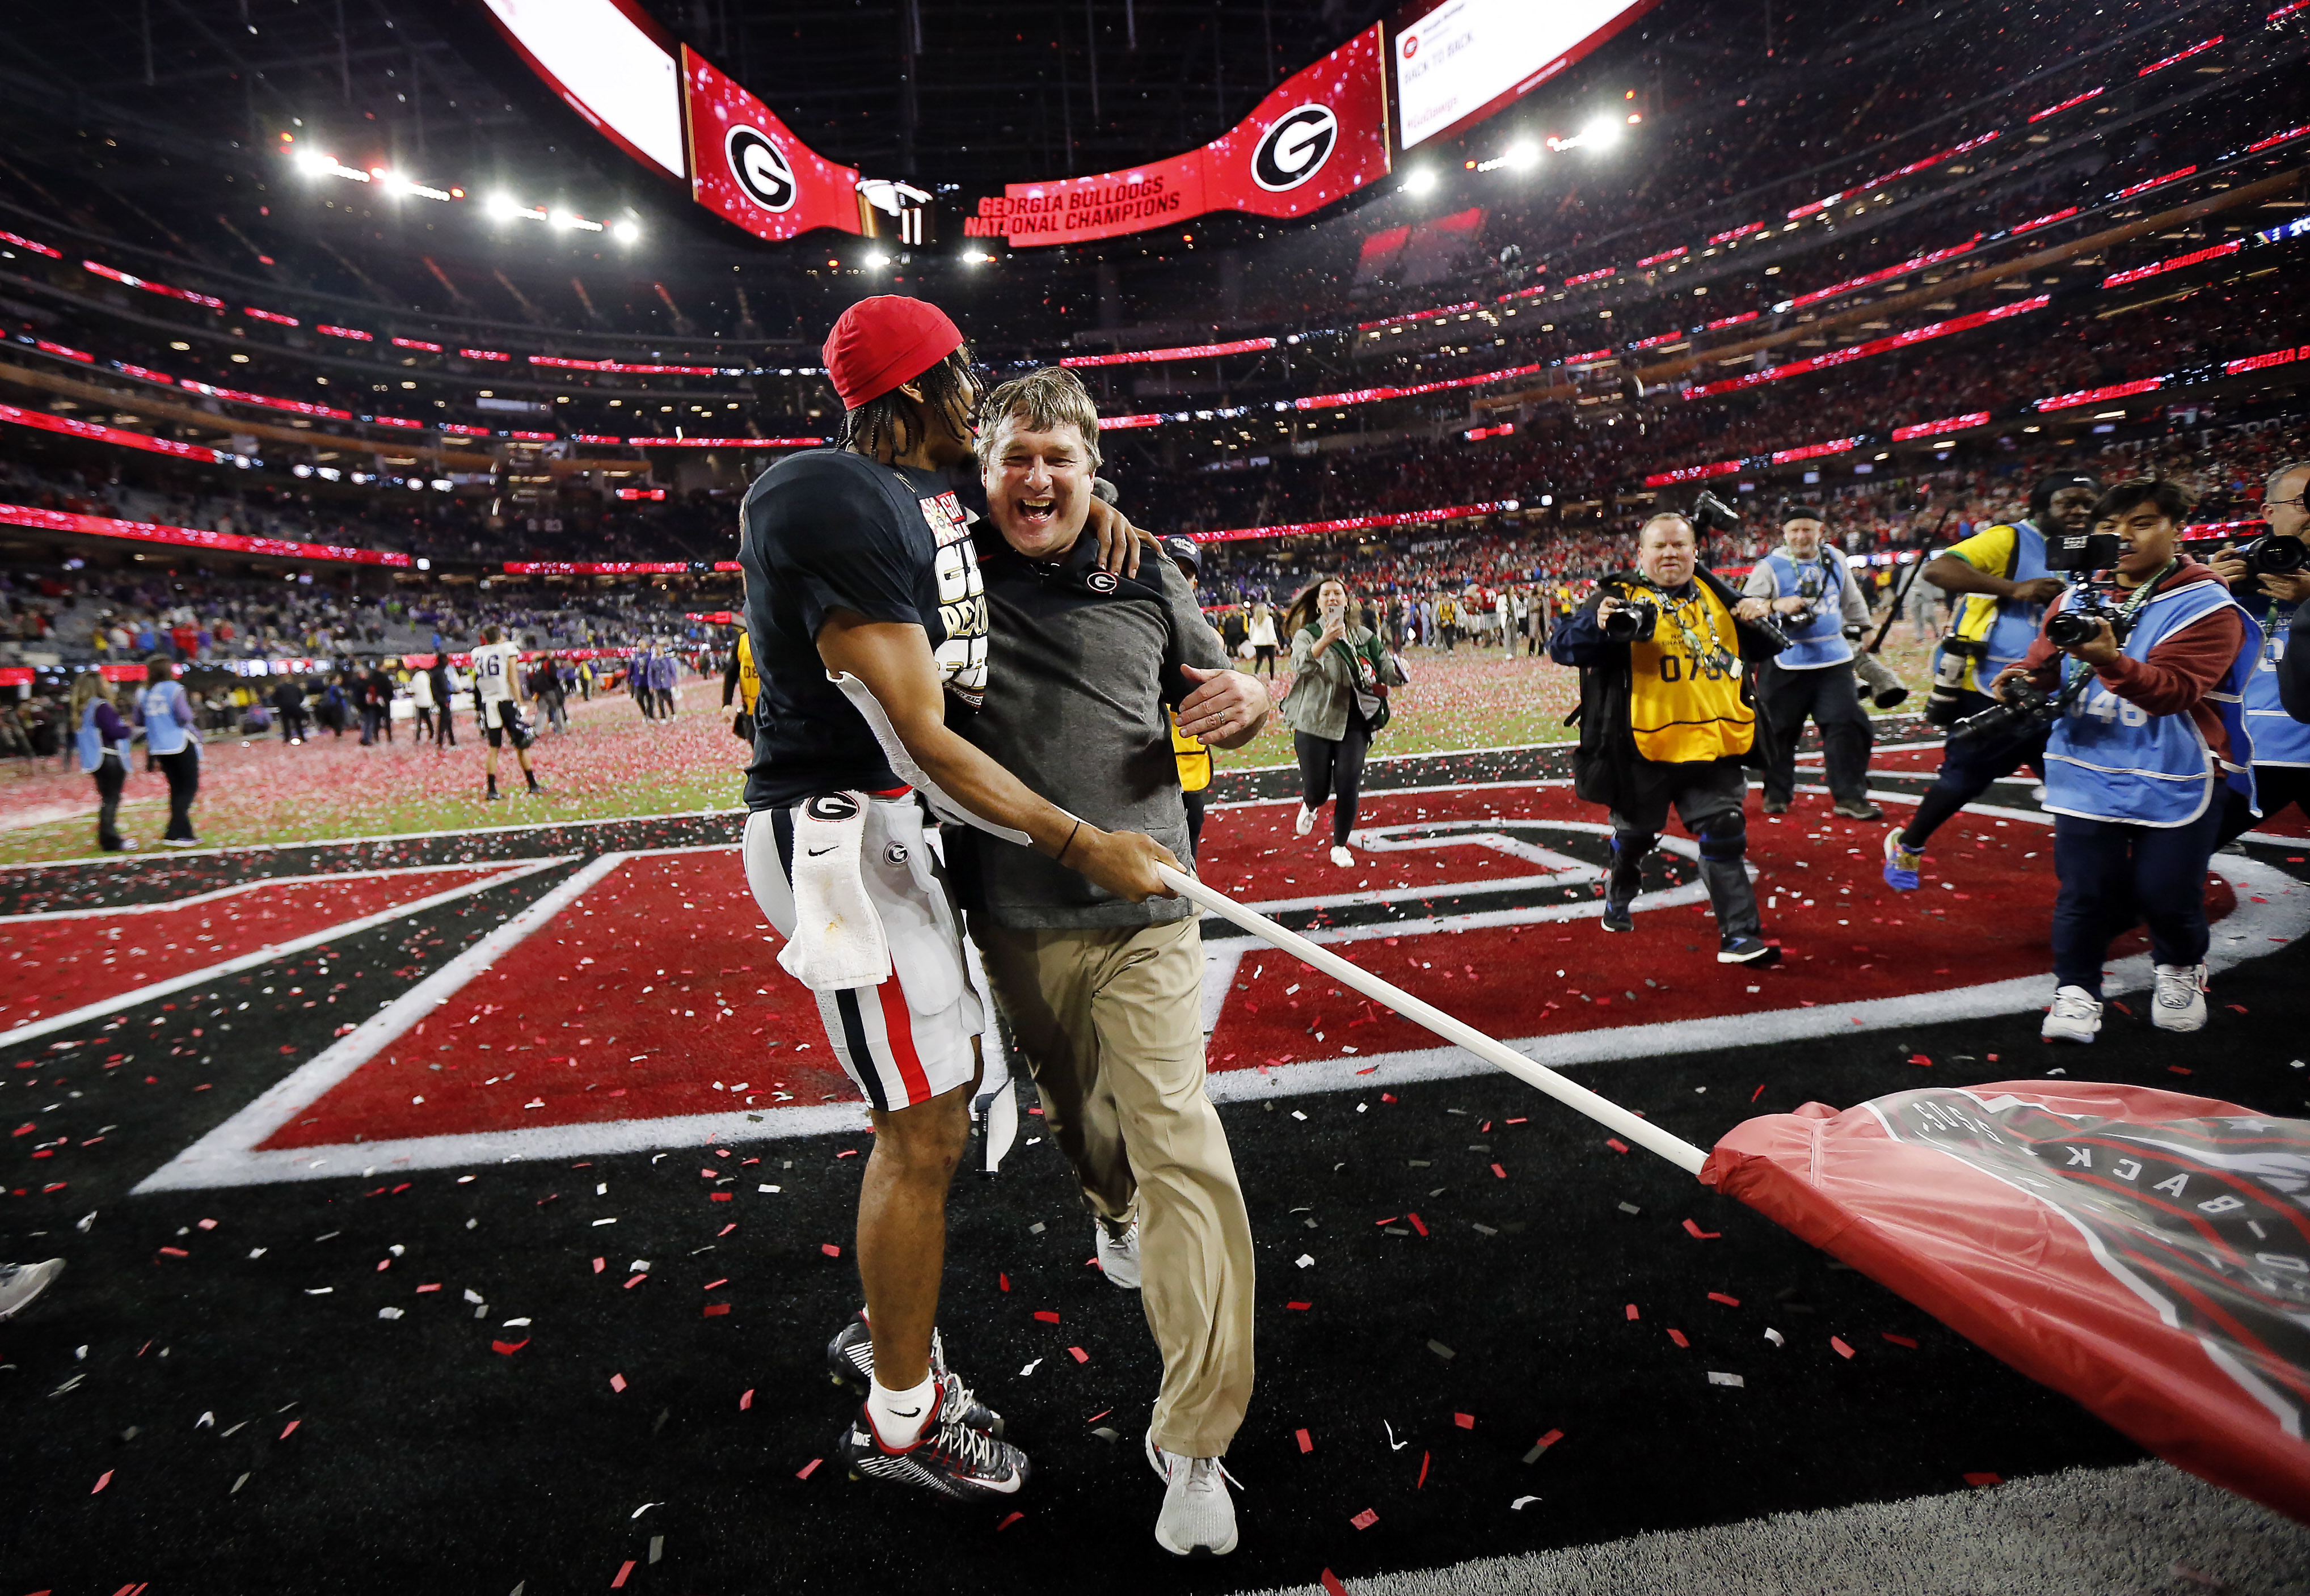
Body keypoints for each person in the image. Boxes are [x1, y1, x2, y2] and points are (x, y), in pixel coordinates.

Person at [735, 295, 1174, 1503]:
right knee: (919, 1129)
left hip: (887, 828)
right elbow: (919, 737)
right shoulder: (829, 494)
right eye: (962, 371)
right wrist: (1089, 843)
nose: (979, 388)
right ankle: (903, 1415)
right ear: (923, 388)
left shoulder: (913, 494)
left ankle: (890, 1332)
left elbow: (999, 512)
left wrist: (1098, 508)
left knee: (943, 1100)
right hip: (845, 833)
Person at [951, 367, 1268, 1555]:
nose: (1037, 479)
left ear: (1092, 467)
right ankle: (1106, 1206)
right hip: (1013, 919)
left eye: (1059, 459)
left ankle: (1192, 1444)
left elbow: (1222, 685)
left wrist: (1247, 696)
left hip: (1149, 914)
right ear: (981, 469)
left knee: (1182, 1144)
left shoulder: (1147, 566)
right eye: (1014, 457)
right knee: (1084, 1127)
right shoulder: (946, 570)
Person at [2005, 479, 2257, 1041]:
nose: (2121, 538)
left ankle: (2178, 967)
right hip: (2087, 765)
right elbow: (2042, 664)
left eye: (2140, 523)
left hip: (2176, 767)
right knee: (2083, 889)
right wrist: (2019, 678)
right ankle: (2074, 988)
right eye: (2108, 527)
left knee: (2166, 891)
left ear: (2177, 530)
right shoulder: (2075, 596)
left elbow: (2174, 691)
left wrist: (2111, 661)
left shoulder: (2208, 605)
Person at [1549, 512, 1788, 965]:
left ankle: (1739, 935)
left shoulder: (1721, 599)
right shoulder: (1617, 597)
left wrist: (1761, 613)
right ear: (1641, 554)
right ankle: (1621, 883)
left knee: (1724, 829)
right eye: (1660, 546)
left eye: (1680, 545)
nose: (1671, 553)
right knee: (1636, 835)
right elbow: (1561, 646)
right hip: (1643, 749)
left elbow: (1768, 647)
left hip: (1712, 743)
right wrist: (1595, 625)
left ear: (1696, 551)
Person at [1884, 473, 2101, 889]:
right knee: (1963, 780)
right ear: (2040, 508)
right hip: (1993, 684)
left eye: (2089, 504)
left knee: (2073, 782)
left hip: (2065, 687)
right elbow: (1939, 570)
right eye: (2068, 503)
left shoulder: (2094, 546)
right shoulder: (2012, 539)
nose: (2080, 512)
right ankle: (1908, 844)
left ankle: (2087, 882)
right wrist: (2015, 588)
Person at [1743, 502, 1882, 820]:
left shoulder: (1835, 559)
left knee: (1845, 725)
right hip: (1785, 661)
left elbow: (1851, 598)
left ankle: (1849, 796)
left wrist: (1866, 628)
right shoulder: (1769, 567)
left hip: (1834, 660)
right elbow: (1747, 607)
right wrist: (1777, 604)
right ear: (1784, 534)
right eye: (1795, 530)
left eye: (1808, 529)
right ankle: (1776, 794)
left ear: (1821, 532)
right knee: (1779, 732)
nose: (1801, 536)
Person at [2211, 460, 2310, 843]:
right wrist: (2205, 588)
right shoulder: (2233, 566)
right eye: (2303, 502)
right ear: (2269, 511)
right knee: (2176, 860)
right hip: (2254, 750)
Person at [1279, 576, 1403, 868]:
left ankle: (1339, 845)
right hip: (1314, 721)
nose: (1333, 599)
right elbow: (1300, 665)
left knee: (1348, 784)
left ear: (1347, 602)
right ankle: (1310, 804)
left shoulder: (1364, 635)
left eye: (1338, 594)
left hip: (1355, 722)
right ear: (1319, 603)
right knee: (1318, 790)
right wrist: (1325, 641)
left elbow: (1384, 668)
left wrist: (1398, 673)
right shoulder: (1307, 634)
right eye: (1326, 595)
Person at [469, 625, 541, 800]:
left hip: (488, 702)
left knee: (494, 747)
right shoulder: (506, 648)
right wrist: (520, 703)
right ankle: (533, 784)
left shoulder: (478, 652)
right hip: (505, 701)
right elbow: (513, 678)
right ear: (500, 636)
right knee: (521, 743)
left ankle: (492, 789)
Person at [138, 656, 200, 846]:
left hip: (158, 745)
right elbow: (184, 716)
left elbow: (139, 719)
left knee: (176, 788)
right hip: (178, 741)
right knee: (189, 787)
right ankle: (175, 832)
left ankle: (184, 832)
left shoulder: (144, 692)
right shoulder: (174, 689)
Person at [71, 669, 133, 852]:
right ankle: (110, 839)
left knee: (107, 798)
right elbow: (113, 732)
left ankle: (108, 836)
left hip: (95, 759)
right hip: (108, 756)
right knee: (111, 799)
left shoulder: (83, 709)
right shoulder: (101, 706)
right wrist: (128, 729)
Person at [427, 657, 458, 747]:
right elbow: (444, 687)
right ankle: (441, 741)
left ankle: (451, 741)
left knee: (447, 720)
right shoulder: (441, 673)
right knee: (445, 720)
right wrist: (454, 691)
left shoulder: (435, 672)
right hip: (444, 699)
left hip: (440, 699)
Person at [1245, 600, 1279, 678]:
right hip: (1269, 642)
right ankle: (1272, 677)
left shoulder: (1253, 620)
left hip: (1258, 643)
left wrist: (1252, 640)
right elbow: (1271, 631)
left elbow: (1251, 632)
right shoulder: (1269, 619)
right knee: (1271, 661)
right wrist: (1276, 641)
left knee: (1259, 661)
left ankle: (1256, 673)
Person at [271, 676, 308, 744]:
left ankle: (287, 738)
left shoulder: (279, 688)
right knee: (298, 724)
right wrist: (297, 703)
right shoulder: (296, 687)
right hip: (296, 707)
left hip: (285, 708)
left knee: (286, 724)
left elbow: (274, 699)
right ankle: (302, 737)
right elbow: (302, 696)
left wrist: (280, 705)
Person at [410, 658, 438, 743]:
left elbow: (415, 690)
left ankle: (418, 738)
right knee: (428, 719)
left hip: (419, 702)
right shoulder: (426, 675)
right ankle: (432, 734)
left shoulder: (416, 677)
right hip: (427, 701)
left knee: (419, 721)